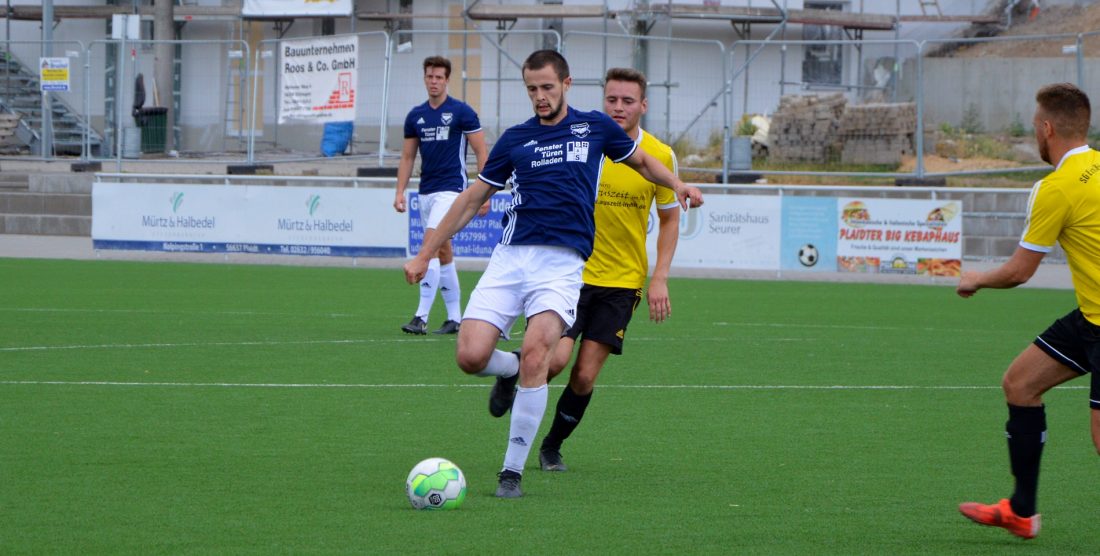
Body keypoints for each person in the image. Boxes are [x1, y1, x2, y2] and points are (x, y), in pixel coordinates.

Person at [403, 50, 704, 498]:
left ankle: (511, 472)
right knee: (469, 356)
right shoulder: (515, 138)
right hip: (510, 259)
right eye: (532, 89)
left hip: (562, 265)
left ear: (566, 84)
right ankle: (507, 371)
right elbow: (471, 199)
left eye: (547, 87)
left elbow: (643, 163)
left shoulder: (594, 127)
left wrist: (677, 184)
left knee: (539, 354)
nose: (540, 96)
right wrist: (425, 253)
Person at [956, 82, 1100, 540]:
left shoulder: (1054, 188)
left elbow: (1020, 272)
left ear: (1047, 128)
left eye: (1035, 126)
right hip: (1090, 317)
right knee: (1020, 384)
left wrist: (976, 278)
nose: (1035, 133)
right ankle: (1021, 511)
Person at [536, 67, 683, 472]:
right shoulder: (583, 142)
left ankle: (551, 446)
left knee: (584, 376)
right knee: (553, 361)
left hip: (621, 283)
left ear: (643, 105)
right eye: (612, 99)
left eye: (627, 101)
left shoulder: (660, 156)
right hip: (572, 272)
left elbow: (670, 219)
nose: (618, 107)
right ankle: (513, 389)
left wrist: (660, 277)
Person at [394, 56, 489, 335]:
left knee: (430, 247)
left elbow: (481, 151)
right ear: (424, 78)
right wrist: (399, 191)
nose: (434, 81)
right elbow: (408, 156)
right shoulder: (416, 116)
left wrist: (485, 193)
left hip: (452, 191)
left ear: (447, 80)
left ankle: (420, 317)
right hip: (426, 192)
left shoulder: (462, 112)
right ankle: (455, 318)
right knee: (444, 252)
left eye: (439, 77)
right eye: (430, 76)